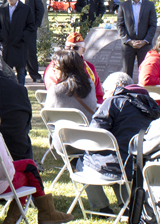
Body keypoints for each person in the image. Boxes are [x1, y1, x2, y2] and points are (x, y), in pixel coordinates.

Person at [0, 85, 73, 224]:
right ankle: (41, 213)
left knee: (29, 166)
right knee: (28, 175)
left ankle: (15, 221)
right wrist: (10, 167)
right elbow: (1, 174)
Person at [78, 72, 160, 214]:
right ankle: (127, 203)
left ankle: (101, 207)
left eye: (106, 91)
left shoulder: (113, 102)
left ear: (118, 87)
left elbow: (94, 134)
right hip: (141, 165)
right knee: (119, 157)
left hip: (112, 166)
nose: (104, 96)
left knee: (81, 160)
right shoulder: (152, 104)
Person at [44, 32, 104, 103]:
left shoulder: (90, 68)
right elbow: (54, 89)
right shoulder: (55, 65)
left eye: (75, 47)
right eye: (68, 47)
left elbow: (98, 95)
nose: (71, 50)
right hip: (62, 104)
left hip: (86, 107)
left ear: (83, 50)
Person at [0, 0, 35, 85]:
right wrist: (1, 38)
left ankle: (21, 94)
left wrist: (22, 37)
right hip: (6, 47)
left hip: (20, 46)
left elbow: (31, 26)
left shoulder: (25, 9)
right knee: (7, 73)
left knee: (21, 72)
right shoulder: (2, 9)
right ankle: (10, 93)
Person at [118, 0, 157, 78]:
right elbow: (120, 25)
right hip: (128, 46)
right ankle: (127, 92)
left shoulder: (150, 5)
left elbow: (153, 25)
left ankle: (143, 93)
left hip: (144, 46)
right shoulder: (123, 6)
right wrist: (128, 41)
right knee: (126, 75)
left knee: (145, 74)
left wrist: (145, 41)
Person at [11, 0, 45, 83]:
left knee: (31, 52)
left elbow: (40, 9)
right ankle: (20, 75)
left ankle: (35, 75)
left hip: (29, 29)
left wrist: (35, 25)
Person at [43, 49, 98, 116]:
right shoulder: (90, 84)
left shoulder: (55, 90)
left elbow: (48, 116)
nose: (53, 68)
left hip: (63, 126)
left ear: (65, 68)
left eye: (55, 65)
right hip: (89, 125)